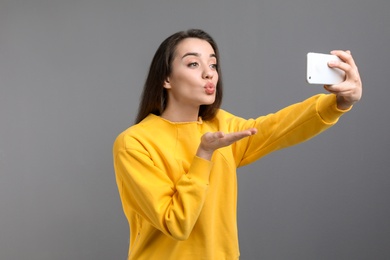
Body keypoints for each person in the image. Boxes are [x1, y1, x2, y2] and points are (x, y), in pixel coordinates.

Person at [113, 29, 362, 259]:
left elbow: (277, 128)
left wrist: (338, 102)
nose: (209, 72)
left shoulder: (222, 124)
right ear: (166, 78)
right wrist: (204, 154)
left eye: (213, 64)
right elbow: (176, 222)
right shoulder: (134, 143)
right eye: (193, 63)